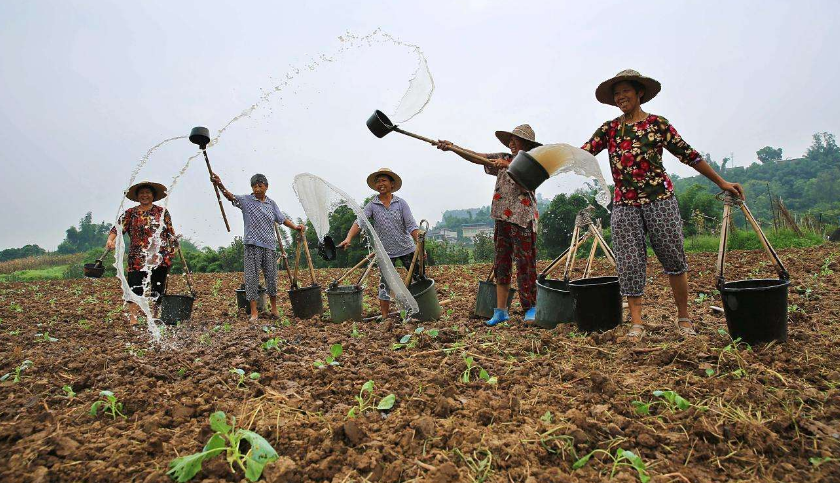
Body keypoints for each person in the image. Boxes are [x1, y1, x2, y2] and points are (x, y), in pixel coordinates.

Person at [581, 69, 744, 341]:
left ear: (639, 93)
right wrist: (549, 159)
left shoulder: (657, 124)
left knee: (673, 258)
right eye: (616, 94)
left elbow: (688, 155)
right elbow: (584, 153)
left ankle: (684, 318)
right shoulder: (610, 129)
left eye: (626, 92)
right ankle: (636, 323)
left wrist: (721, 182)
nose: (621, 97)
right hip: (624, 205)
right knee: (629, 262)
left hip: (660, 201)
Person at [436, 125, 541, 326]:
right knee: (501, 263)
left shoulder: (533, 162)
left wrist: (508, 166)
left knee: (525, 265)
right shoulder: (502, 156)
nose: (511, 144)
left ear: (526, 144)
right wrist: (453, 147)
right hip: (502, 217)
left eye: (515, 140)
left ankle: (531, 308)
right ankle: (501, 311)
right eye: (510, 140)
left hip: (522, 219)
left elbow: (527, 183)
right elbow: (477, 156)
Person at [212, 173, 305, 321]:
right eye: (254, 186)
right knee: (251, 278)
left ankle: (274, 309)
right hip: (252, 245)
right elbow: (231, 197)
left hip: (269, 246)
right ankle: (254, 312)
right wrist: (220, 185)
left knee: (272, 278)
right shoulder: (246, 201)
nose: (257, 189)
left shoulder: (271, 204)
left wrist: (295, 227)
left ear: (266, 187)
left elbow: (282, 219)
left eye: (260, 186)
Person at [338, 168, 420, 320]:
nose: (380, 184)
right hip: (386, 252)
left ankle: (422, 311)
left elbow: (411, 225)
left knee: (419, 279)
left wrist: (419, 243)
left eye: (383, 180)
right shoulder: (372, 205)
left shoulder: (401, 203)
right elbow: (359, 222)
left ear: (392, 184)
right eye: (378, 181)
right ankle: (384, 316)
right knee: (385, 284)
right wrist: (348, 238)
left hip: (407, 248)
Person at [106, 181, 178, 325]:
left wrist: (174, 247)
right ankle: (133, 317)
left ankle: (156, 314)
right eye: (142, 193)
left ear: (153, 196)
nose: (145, 195)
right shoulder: (130, 213)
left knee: (158, 287)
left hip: (159, 256)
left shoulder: (161, 212)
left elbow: (170, 232)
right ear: (138, 196)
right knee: (135, 286)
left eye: (147, 193)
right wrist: (110, 240)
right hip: (137, 258)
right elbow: (117, 228)